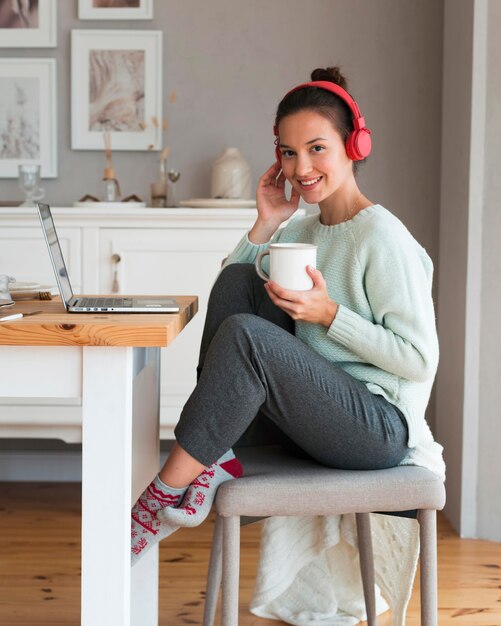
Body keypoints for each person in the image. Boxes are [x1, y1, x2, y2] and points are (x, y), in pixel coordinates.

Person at [131, 66, 440, 573]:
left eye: (317, 148)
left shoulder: (382, 237)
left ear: (354, 146)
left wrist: (330, 315)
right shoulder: (303, 229)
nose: (302, 167)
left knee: (248, 338)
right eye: (289, 152)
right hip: (311, 419)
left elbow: (419, 360)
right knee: (239, 283)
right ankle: (212, 454)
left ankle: (166, 492)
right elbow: (229, 293)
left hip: (378, 429)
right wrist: (266, 223)